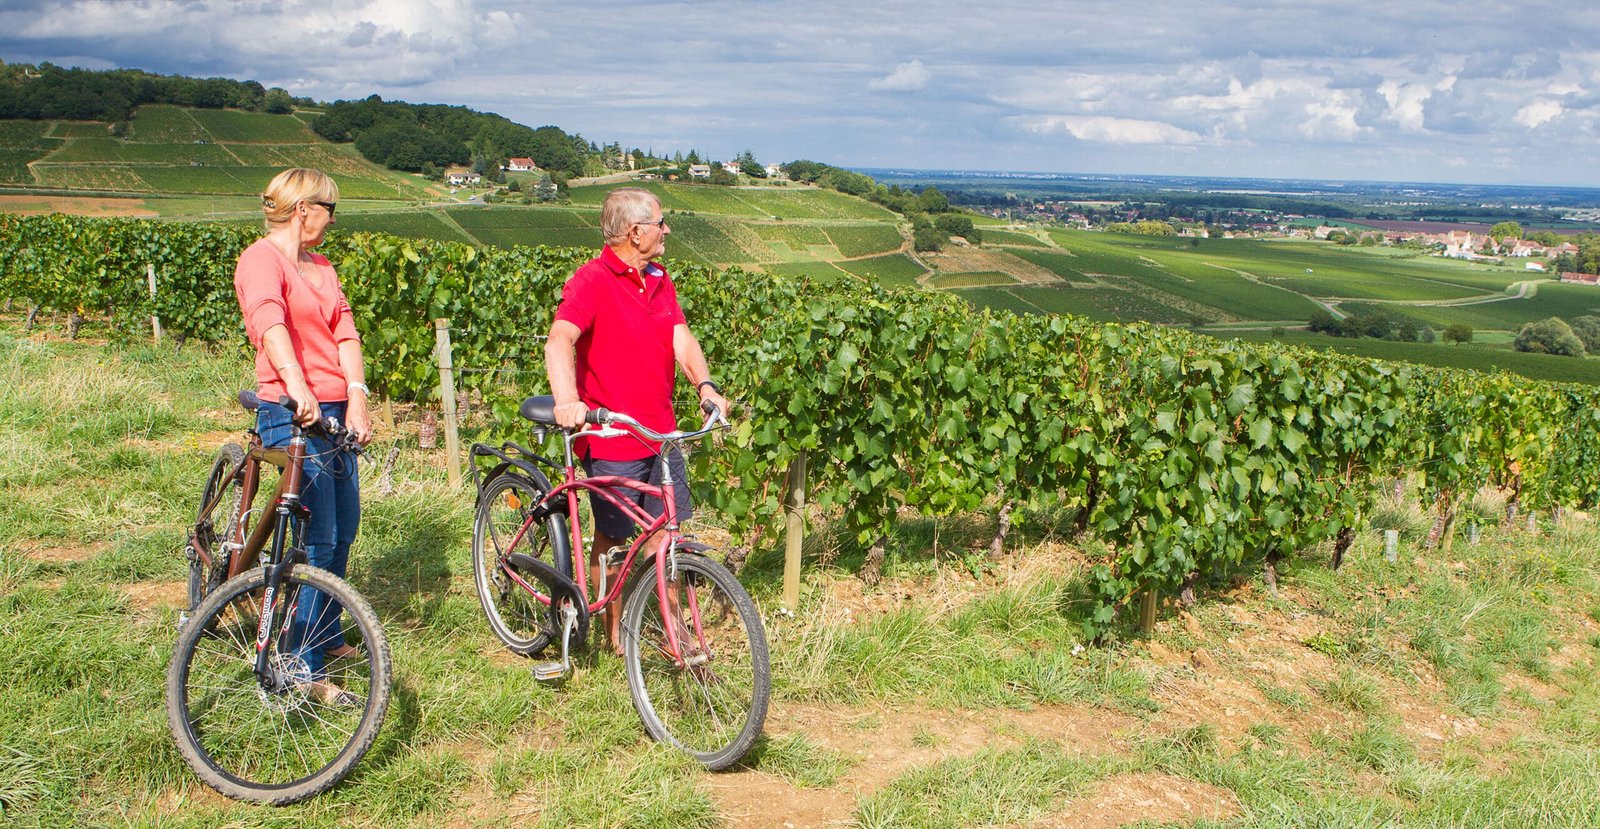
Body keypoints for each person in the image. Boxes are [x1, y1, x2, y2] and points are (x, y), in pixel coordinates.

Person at [545, 187, 729, 650]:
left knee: (668, 534)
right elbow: (559, 340)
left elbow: (680, 339)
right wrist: (568, 400)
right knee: (612, 535)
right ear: (634, 231)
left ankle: (674, 632)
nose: (666, 231)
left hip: (659, 433)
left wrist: (704, 386)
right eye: (660, 224)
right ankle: (611, 634)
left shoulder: (659, 278)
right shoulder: (590, 281)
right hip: (612, 438)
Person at [234, 168, 373, 702]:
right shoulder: (261, 260)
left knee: (344, 528)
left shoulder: (323, 267)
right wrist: (296, 385)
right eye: (329, 210)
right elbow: (268, 322)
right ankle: (301, 662)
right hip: (292, 408)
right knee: (318, 535)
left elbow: (345, 331)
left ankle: (327, 630)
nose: (332, 221)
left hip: (335, 408)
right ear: (303, 210)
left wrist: (357, 396)